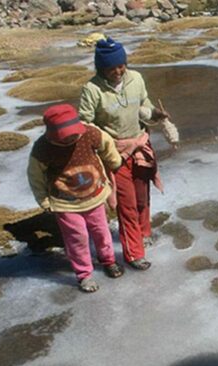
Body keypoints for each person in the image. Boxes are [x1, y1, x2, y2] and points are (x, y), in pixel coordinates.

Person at [78, 37, 169, 271]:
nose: (118, 71)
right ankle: (134, 253)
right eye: (111, 67)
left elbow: (143, 105)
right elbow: (85, 123)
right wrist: (107, 143)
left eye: (121, 65)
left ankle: (143, 232)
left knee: (141, 197)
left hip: (139, 146)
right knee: (126, 204)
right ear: (101, 67)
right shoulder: (92, 89)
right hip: (113, 154)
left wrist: (154, 114)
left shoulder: (136, 78)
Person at [27, 104, 124, 293]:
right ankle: (84, 274)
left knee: (101, 231)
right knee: (77, 238)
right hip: (65, 203)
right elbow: (35, 176)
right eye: (66, 136)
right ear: (52, 134)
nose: (72, 138)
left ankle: (108, 260)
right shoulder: (42, 149)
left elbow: (107, 144)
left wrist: (114, 162)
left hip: (94, 196)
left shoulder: (91, 133)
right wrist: (44, 200)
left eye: (74, 133)